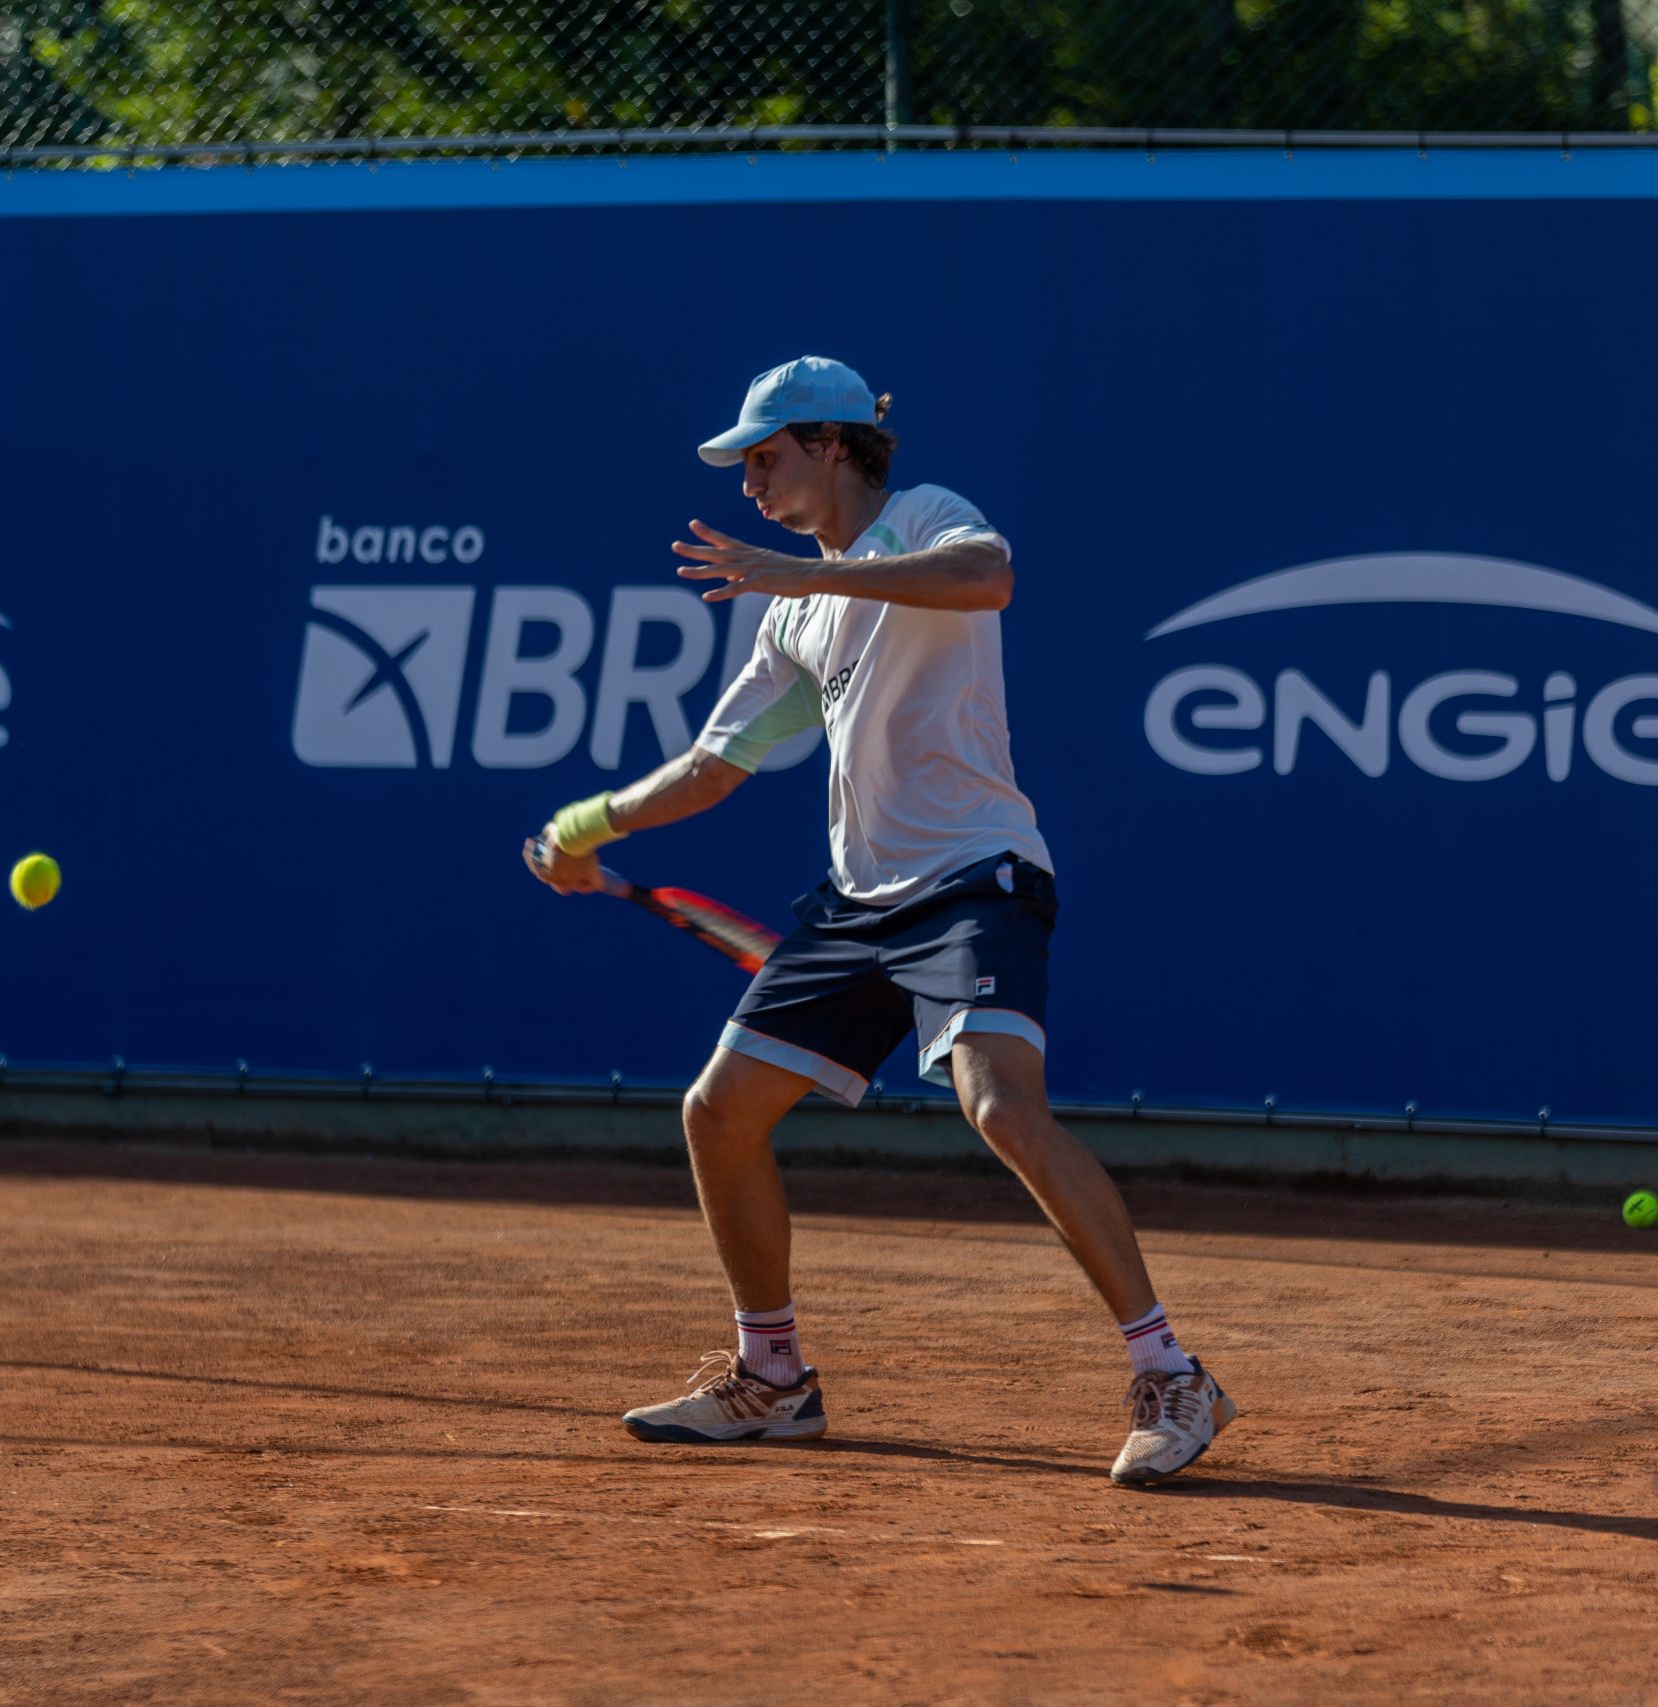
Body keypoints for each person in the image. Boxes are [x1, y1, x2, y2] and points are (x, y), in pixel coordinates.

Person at [521, 356, 1234, 1484]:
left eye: (765, 455)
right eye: (745, 464)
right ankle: (774, 1381)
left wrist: (798, 576)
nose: (749, 481)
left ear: (833, 444)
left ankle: (1173, 1375)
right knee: (718, 1112)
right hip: (856, 905)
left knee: (999, 1106)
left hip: (973, 876)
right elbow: (716, 769)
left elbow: (988, 576)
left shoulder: (924, 521)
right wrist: (589, 823)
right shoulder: (791, 620)